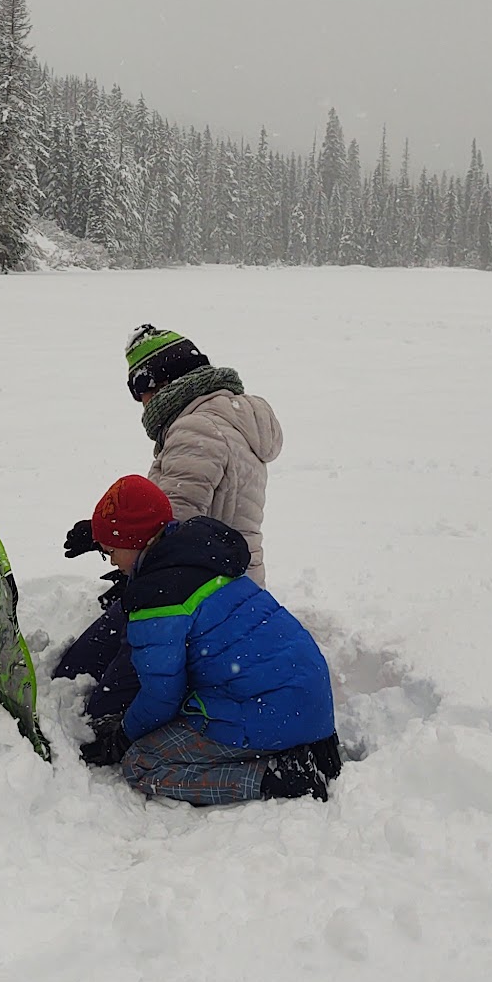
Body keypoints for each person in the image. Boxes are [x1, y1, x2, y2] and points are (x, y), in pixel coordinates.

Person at [56, 324, 285, 737]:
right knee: (94, 661)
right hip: (223, 583)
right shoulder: (223, 415)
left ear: (160, 380)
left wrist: (106, 535)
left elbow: (170, 527)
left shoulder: (198, 429)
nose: (139, 402)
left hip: (193, 595)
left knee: (83, 678)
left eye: (138, 388)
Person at [78, 475, 340, 804]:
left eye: (111, 551)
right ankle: (299, 740)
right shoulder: (200, 556)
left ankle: (279, 778)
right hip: (308, 698)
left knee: (142, 763)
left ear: (134, 541)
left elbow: (161, 697)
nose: (112, 560)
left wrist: (121, 736)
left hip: (271, 713)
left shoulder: (158, 602)